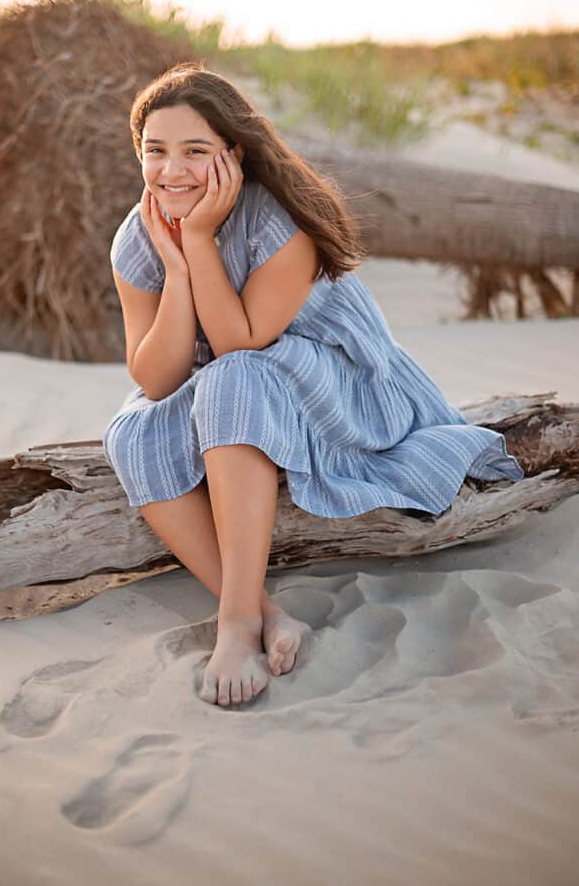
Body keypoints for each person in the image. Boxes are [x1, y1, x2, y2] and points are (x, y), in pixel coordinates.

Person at [102, 61, 524, 709]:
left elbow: (243, 342)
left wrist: (203, 242)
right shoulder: (142, 233)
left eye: (195, 151)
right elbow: (156, 378)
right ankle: (260, 610)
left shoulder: (279, 219)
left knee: (231, 377)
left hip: (342, 379)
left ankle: (234, 625)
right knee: (132, 430)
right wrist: (178, 268)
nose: (172, 170)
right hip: (235, 379)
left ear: (233, 156)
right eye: (154, 152)